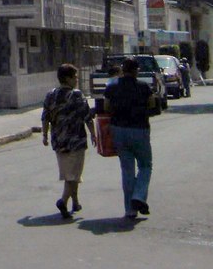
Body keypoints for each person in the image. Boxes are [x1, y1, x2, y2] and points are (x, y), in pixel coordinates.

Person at [41, 63, 97, 218]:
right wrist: (93, 134)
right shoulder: (77, 95)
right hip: (76, 140)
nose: (77, 80)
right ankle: (63, 201)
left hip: (58, 140)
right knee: (73, 175)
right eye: (75, 77)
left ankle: (75, 202)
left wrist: (45, 135)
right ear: (67, 78)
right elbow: (87, 117)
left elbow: (45, 117)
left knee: (69, 173)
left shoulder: (50, 95)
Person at [104, 57, 154, 219]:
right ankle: (138, 196)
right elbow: (152, 104)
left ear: (122, 70)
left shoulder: (112, 87)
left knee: (127, 169)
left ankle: (129, 209)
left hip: (118, 130)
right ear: (136, 70)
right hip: (140, 129)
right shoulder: (143, 86)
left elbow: (106, 107)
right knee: (145, 165)